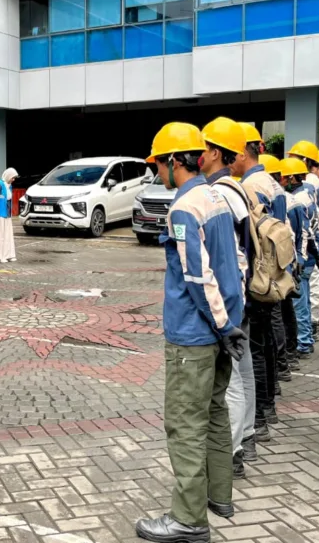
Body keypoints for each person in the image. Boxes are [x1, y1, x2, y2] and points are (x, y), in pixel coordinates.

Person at [135, 123, 245, 543]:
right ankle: (219, 496)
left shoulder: (183, 208)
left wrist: (218, 324)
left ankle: (188, 518)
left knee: (185, 424)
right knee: (215, 411)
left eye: (159, 163)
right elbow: (234, 262)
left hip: (195, 334)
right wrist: (230, 325)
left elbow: (198, 276)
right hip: (223, 331)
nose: (157, 172)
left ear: (175, 161)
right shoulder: (217, 196)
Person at [200, 118, 256, 480]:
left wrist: (226, 308)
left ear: (215, 152)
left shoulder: (222, 192)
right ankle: (246, 434)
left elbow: (233, 255)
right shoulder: (238, 189)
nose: (197, 154)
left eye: (202, 148)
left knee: (232, 378)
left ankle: (232, 448)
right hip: (244, 294)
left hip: (231, 297)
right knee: (245, 370)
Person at [234, 123, 281, 442]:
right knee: (264, 343)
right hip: (274, 273)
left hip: (259, 275)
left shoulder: (252, 187)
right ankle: (268, 405)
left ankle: (261, 414)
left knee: (257, 348)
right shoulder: (270, 182)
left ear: (241, 152)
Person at [261, 156, 301, 378]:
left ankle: (282, 364)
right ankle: (288, 357)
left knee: (276, 316)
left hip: (274, 263)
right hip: (287, 259)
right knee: (286, 311)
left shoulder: (268, 195)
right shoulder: (285, 197)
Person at [288, 141, 319, 330]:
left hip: (305, 251)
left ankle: (306, 335)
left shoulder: (304, 193)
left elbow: (309, 226)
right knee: (310, 290)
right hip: (311, 248)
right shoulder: (312, 187)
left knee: (304, 295)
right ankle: (308, 331)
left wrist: (305, 255)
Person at [281, 157, 318, 360]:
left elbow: (304, 232)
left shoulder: (299, 199)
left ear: (292, 177)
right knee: (303, 300)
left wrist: (300, 260)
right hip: (306, 258)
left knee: (299, 304)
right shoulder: (303, 195)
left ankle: (304, 342)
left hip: (301, 260)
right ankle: (306, 339)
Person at [0, 168, 19, 263]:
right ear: (8, 176)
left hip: (6, 214)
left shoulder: (9, 186)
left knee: (7, 235)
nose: (13, 180)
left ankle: (8, 254)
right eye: (12, 178)